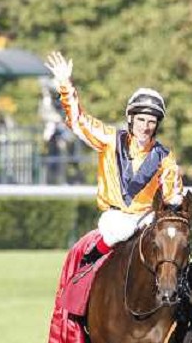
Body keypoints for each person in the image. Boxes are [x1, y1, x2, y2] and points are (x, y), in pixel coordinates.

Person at [44, 51, 184, 266]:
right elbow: (77, 121)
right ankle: (89, 263)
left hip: (148, 219)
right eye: (141, 120)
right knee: (121, 229)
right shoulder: (110, 140)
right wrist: (64, 83)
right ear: (130, 119)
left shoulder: (165, 158)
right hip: (116, 220)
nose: (145, 127)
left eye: (151, 122)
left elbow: (173, 195)